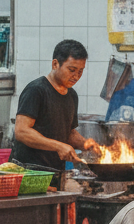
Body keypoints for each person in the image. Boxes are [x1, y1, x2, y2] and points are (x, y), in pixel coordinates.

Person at [11, 39, 98, 178]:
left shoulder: (72, 95)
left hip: (55, 173)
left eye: (80, 71)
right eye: (72, 70)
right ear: (55, 64)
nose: (76, 76)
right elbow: (21, 131)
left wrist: (86, 144)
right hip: (29, 172)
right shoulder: (36, 90)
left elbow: (67, 132)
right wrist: (59, 146)